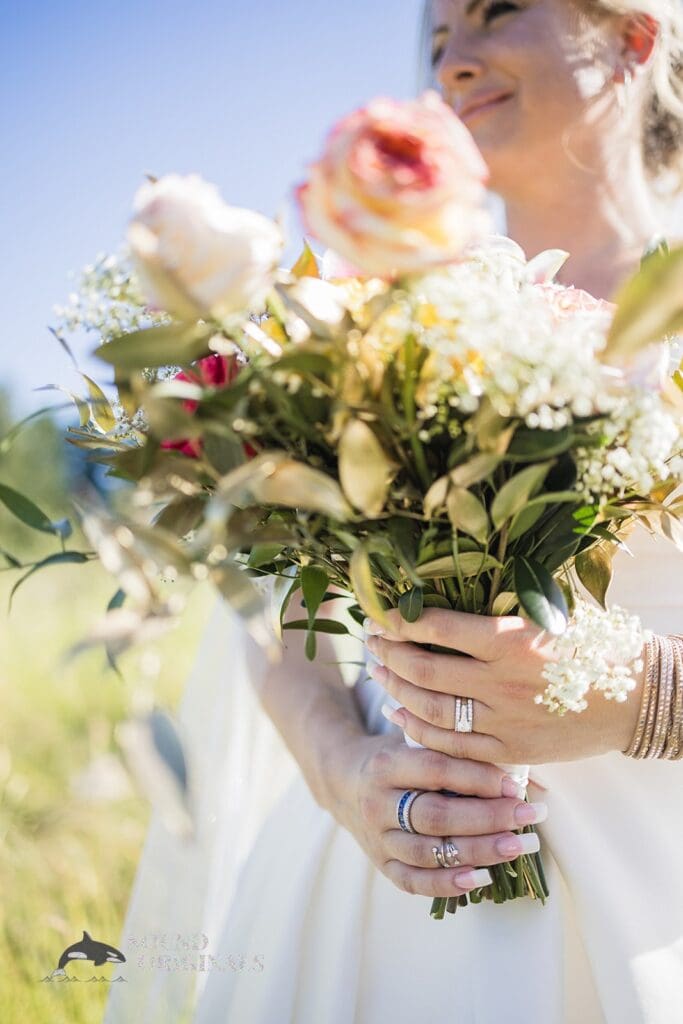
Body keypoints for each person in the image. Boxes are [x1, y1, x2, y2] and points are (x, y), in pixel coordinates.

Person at [104, 1, 683, 1021]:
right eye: (433, 40)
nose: (453, 64)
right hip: (368, 897)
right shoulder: (364, 323)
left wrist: (646, 702)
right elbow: (280, 635)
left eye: (496, 12)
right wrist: (348, 772)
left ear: (633, 39)